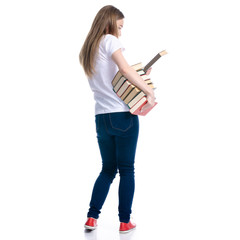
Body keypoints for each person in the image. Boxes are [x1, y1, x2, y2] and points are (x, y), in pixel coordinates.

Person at [79, 5, 156, 233]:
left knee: (107, 169)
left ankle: (92, 218)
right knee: (126, 169)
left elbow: (111, 76)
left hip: (101, 117)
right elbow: (123, 70)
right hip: (122, 115)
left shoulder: (89, 48)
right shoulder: (109, 40)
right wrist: (148, 91)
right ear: (110, 23)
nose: (120, 32)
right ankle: (125, 222)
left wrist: (139, 76)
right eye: (119, 26)